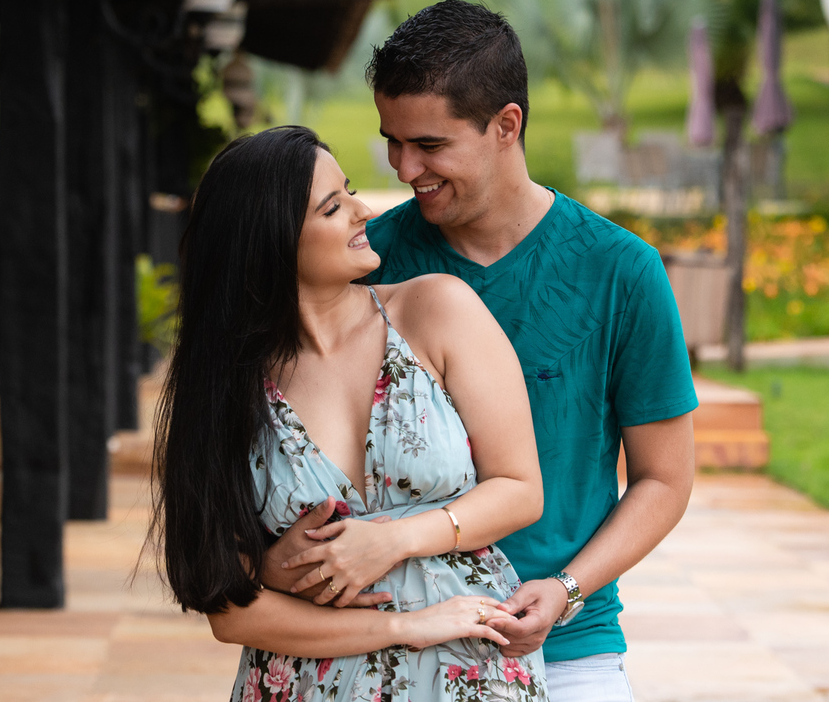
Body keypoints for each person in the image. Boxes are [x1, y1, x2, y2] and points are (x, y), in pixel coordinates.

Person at [265, 0, 698, 701]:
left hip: (568, 648)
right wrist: (275, 561)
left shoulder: (622, 271)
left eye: (429, 144)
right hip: (392, 649)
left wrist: (568, 588)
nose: (405, 168)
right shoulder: (367, 262)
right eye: (391, 141)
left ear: (506, 125)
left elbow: (665, 479)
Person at [151, 125, 550, 701]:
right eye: (333, 207)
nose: (364, 212)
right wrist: (405, 628)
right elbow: (229, 609)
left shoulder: (437, 310)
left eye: (351, 192)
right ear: (272, 239)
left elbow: (519, 490)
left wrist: (394, 541)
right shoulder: (225, 386)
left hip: (465, 672)